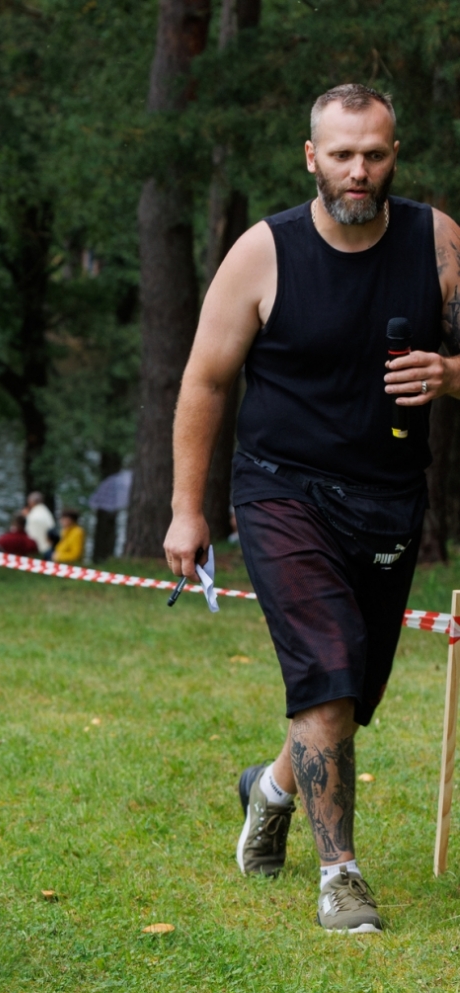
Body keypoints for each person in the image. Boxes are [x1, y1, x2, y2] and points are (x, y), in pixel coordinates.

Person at [164, 84, 460, 934]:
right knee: (327, 666)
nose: (357, 170)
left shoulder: (436, 241)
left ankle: (269, 789)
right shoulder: (265, 253)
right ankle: (342, 876)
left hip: (389, 497)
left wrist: (447, 375)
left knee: (352, 691)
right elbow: (205, 382)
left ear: (393, 155)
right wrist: (189, 510)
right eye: (341, 154)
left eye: (373, 153)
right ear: (311, 158)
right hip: (281, 488)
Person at [23, 491, 56, 559]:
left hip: (37, 549)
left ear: (32, 502)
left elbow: (29, 533)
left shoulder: (32, 515)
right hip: (48, 548)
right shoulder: (47, 512)